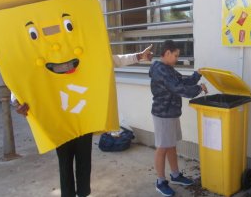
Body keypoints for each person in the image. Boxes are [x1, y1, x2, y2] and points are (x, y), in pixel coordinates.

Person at [13, 45, 153, 197]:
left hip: (83, 119)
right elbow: (24, 77)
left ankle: (83, 193)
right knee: (65, 163)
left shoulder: (82, 53)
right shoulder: (43, 56)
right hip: (60, 121)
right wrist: (16, 101)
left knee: (84, 161)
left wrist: (139, 56)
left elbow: (110, 60)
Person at [149, 40, 207, 197]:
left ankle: (175, 175)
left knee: (171, 145)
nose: (177, 59)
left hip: (171, 113)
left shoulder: (168, 69)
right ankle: (160, 182)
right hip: (163, 114)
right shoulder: (161, 71)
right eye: (175, 55)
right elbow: (179, 89)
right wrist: (198, 88)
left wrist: (197, 74)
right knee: (162, 148)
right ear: (167, 53)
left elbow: (181, 81)